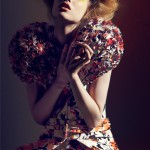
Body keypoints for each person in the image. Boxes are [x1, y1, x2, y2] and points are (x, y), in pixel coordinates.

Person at [8, 0, 124, 149]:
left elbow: (93, 120)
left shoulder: (100, 45)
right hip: (53, 143)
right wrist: (60, 81)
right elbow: (39, 116)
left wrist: (73, 77)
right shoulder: (31, 48)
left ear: (91, 5)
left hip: (92, 143)